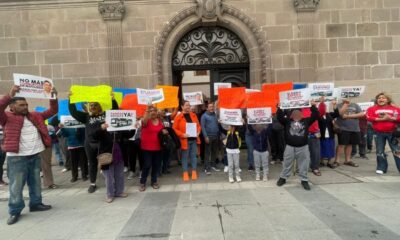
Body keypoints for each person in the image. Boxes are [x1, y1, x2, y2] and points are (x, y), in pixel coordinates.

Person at [0, 85, 57, 225]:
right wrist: (10, 94)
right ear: (12, 107)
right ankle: (15, 211)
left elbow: (52, 111)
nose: (25, 107)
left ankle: (36, 204)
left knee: (35, 182)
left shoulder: (35, 115)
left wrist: (53, 97)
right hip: (17, 158)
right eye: (21, 105)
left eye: (26, 104)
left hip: (34, 155)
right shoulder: (6, 117)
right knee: (16, 185)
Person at [69, 93, 118, 193]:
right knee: (92, 163)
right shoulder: (86, 116)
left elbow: (115, 111)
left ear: (100, 106)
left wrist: (113, 100)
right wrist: (70, 99)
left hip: (103, 144)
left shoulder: (105, 114)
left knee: (106, 162)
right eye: (91, 105)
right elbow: (74, 112)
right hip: (90, 144)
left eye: (95, 104)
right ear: (89, 107)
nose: (93, 107)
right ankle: (92, 183)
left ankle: (109, 181)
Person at [276, 101, 318, 191]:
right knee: (287, 163)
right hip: (290, 147)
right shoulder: (287, 121)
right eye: (294, 113)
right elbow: (279, 117)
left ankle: (304, 180)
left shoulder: (306, 121)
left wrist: (313, 106)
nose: (296, 115)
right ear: (291, 114)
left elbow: (315, 115)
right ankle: (283, 178)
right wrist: (279, 108)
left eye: (298, 113)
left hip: (303, 147)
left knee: (304, 164)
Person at [366, 92, 400, 174]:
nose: (381, 99)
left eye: (383, 98)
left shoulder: (395, 109)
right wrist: (380, 119)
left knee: (396, 150)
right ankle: (381, 168)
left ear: (388, 99)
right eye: (379, 98)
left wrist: (390, 118)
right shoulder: (372, 109)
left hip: (392, 133)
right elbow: (368, 117)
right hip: (378, 133)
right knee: (380, 150)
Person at [93, 123, 127, 203]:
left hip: (119, 155)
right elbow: (94, 136)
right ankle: (109, 194)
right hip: (106, 157)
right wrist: (101, 128)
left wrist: (133, 127)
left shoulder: (119, 128)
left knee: (120, 175)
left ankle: (119, 192)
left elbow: (128, 134)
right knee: (109, 177)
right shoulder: (103, 128)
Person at [173, 101, 201, 182]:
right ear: (182, 106)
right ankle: (185, 172)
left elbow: (198, 126)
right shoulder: (178, 116)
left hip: (194, 140)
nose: (188, 107)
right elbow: (175, 128)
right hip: (184, 140)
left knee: (193, 157)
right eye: (186, 105)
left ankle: (194, 171)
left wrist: (198, 132)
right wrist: (182, 134)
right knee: (185, 157)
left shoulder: (194, 115)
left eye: (189, 105)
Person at [139, 105, 165, 191]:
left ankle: (154, 181)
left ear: (157, 112)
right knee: (147, 164)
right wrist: (147, 109)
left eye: (154, 110)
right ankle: (142, 182)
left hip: (158, 147)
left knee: (156, 165)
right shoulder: (146, 121)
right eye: (151, 111)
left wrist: (165, 132)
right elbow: (144, 119)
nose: (153, 112)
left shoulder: (160, 121)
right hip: (147, 148)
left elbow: (162, 131)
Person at [333, 98, 364, 167]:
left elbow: (362, 114)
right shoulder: (339, 105)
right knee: (341, 144)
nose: (347, 98)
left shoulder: (355, 105)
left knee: (350, 144)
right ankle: (337, 161)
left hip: (354, 128)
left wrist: (348, 116)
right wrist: (346, 104)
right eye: (345, 97)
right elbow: (341, 114)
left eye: (348, 97)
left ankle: (347, 160)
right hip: (343, 128)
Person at [201, 102, 220, 175]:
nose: (212, 108)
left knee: (214, 152)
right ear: (207, 108)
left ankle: (213, 165)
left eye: (212, 107)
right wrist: (205, 136)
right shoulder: (204, 116)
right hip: (208, 137)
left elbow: (215, 124)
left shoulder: (214, 115)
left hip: (216, 136)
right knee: (207, 153)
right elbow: (203, 127)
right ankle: (207, 168)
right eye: (210, 107)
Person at [318, 100, 336, 168]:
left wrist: (334, 105)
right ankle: (321, 161)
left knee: (330, 148)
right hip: (322, 135)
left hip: (330, 134)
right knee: (322, 148)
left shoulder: (329, 114)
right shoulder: (318, 115)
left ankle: (330, 162)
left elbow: (336, 113)